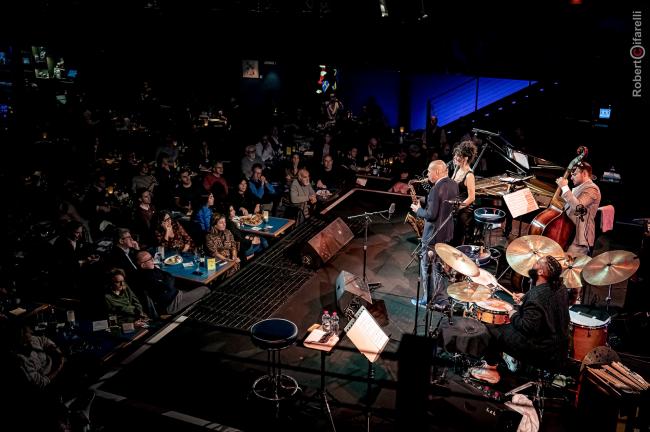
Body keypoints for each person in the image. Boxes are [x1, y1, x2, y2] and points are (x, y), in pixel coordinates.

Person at [472, 255, 569, 383]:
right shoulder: (560, 287)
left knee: (492, 328)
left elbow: (526, 327)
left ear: (540, 272)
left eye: (538, 262)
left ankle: (491, 372)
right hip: (559, 345)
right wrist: (525, 297)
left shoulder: (536, 297)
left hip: (542, 350)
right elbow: (546, 304)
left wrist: (512, 313)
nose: (534, 262)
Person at [410, 160, 459, 306]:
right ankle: (440, 300)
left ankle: (427, 300)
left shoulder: (435, 189)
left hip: (432, 236)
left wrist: (417, 210)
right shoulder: (453, 184)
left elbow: (431, 215)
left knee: (426, 268)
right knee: (439, 267)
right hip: (446, 233)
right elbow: (443, 204)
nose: (427, 174)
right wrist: (426, 201)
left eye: (429, 171)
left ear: (437, 172)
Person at [133, 251, 210, 315]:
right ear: (143, 265)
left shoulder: (152, 269)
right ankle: (206, 314)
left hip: (175, 293)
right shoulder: (145, 278)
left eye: (151, 257)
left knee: (195, 285)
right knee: (205, 289)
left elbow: (169, 276)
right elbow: (168, 285)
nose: (153, 260)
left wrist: (166, 281)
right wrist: (167, 281)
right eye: (150, 259)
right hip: (172, 304)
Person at [556, 161, 601, 257]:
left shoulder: (592, 189)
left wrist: (564, 187)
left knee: (572, 267)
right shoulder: (581, 187)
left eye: (574, 174)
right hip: (571, 231)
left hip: (581, 237)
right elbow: (570, 203)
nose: (571, 178)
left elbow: (578, 207)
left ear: (584, 173)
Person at [450, 140, 478, 246]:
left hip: (464, 207)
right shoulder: (457, 168)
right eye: (456, 155)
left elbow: (471, 198)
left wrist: (458, 208)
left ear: (465, 158)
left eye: (459, 156)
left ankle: (457, 246)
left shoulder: (469, 175)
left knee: (459, 223)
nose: (455, 157)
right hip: (455, 202)